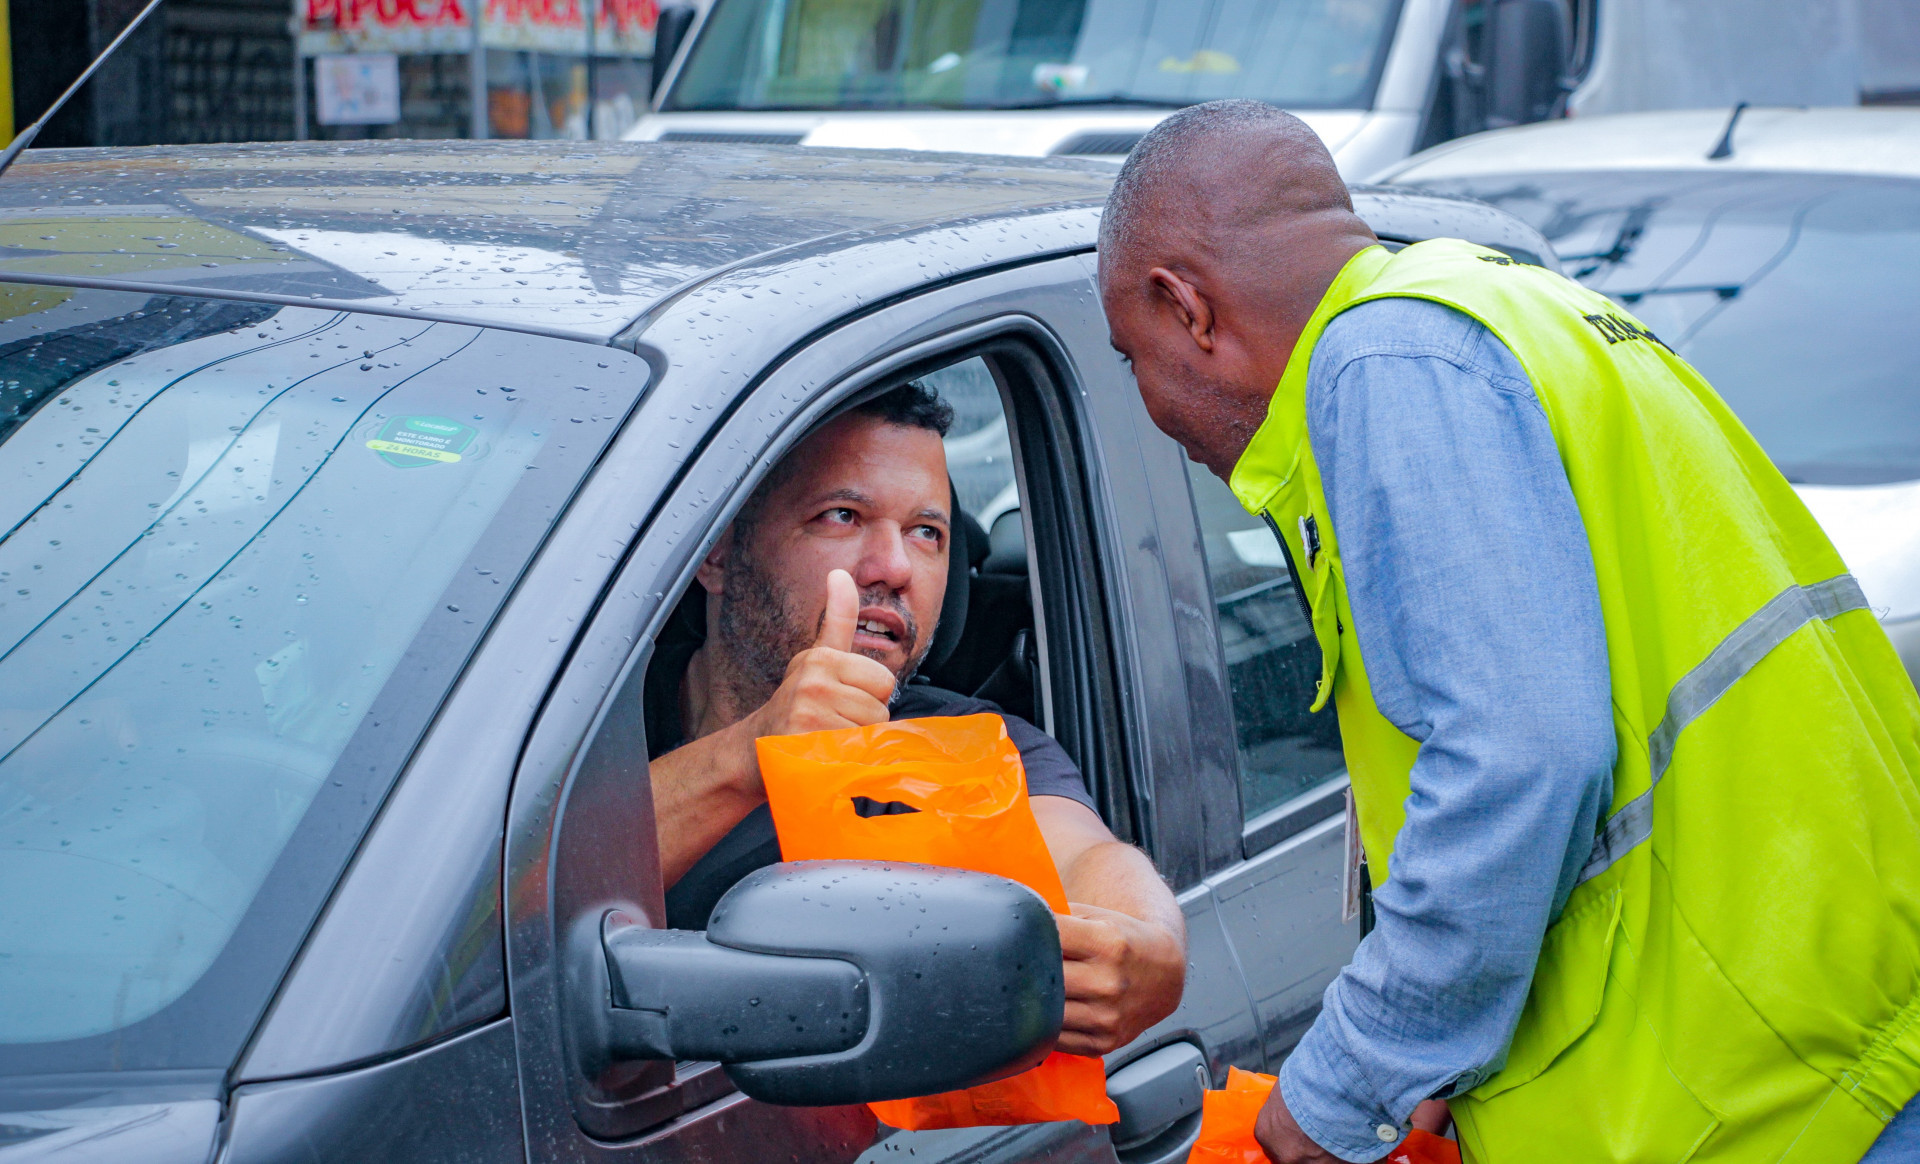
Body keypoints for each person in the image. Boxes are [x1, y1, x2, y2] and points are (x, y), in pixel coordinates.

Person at [1097, 100, 1920, 1163]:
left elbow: (1520, 759)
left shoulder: (1388, 364)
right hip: (1845, 1030)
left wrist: (1355, 1080)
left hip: (1764, 1095)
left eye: (1132, 354)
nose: (1149, 400)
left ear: (1187, 307)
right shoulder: (1513, 309)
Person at [644, 382, 1186, 1058]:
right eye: (842, 516)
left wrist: (1153, 940)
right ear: (719, 553)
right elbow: (502, 904)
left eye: (926, 533)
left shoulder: (960, 749)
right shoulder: (592, 707)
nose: (896, 567)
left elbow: (1084, 857)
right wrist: (747, 755)